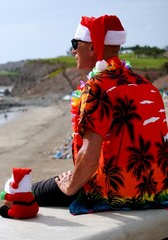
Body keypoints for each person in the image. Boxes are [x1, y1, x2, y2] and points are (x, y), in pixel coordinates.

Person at [30, 15, 168, 215]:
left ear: (93, 47)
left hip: (111, 194)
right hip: (155, 192)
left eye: (76, 43)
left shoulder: (97, 88)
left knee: (20, 194)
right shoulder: (147, 86)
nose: (73, 50)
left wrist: (70, 186)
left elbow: (89, 154)